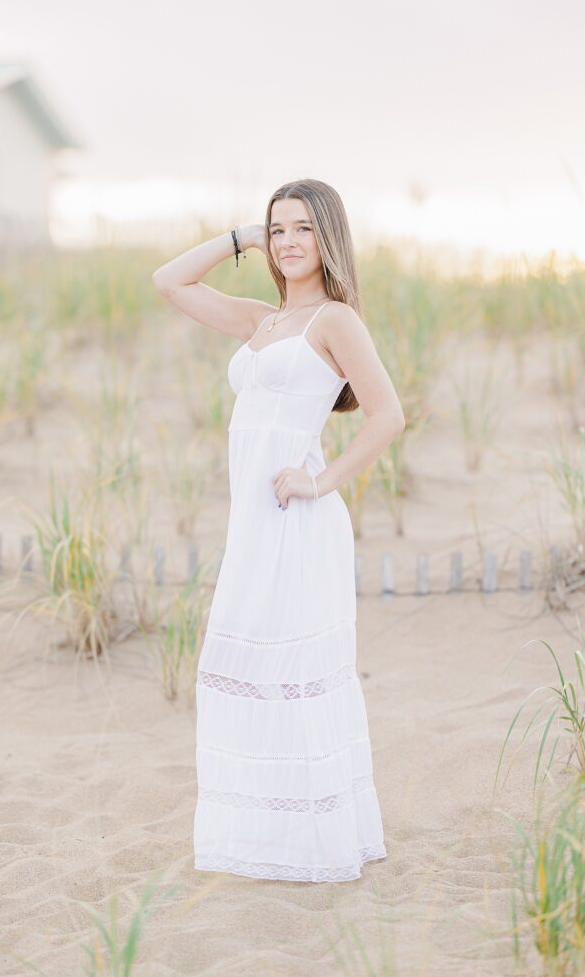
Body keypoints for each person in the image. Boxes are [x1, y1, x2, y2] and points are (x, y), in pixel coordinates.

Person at [153, 178, 405, 883]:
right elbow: (168, 280)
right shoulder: (260, 320)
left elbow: (387, 415)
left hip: (298, 522)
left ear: (329, 237)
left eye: (303, 228)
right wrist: (241, 236)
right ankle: (270, 838)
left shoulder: (334, 321)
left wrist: (317, 482)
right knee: (244, 668)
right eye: (279, 229)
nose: (290, 242)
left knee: (295, 675)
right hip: (252, 528)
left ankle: (318, 843)